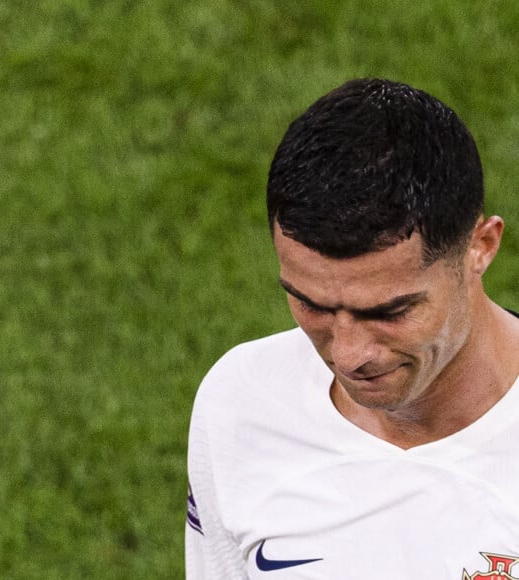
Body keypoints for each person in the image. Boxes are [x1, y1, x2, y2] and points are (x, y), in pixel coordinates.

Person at [185, 78, 519, 579]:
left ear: (480, 247)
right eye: (309, 303)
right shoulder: (239, 401)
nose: (347, 356)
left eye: (387, 312)